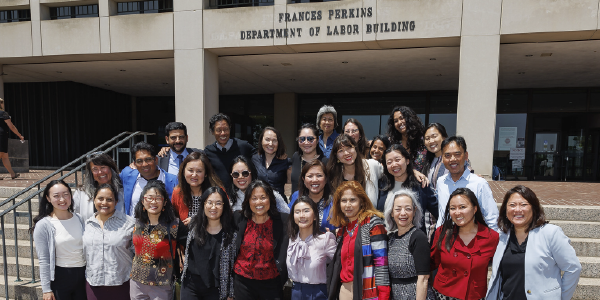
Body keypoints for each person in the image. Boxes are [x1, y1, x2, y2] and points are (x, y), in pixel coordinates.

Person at [486, 185, 581, 300]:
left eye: (523, 204)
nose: (517, 210)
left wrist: (562, 297)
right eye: (512, 205)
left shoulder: (550, 233)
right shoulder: (502, 237)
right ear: (505, 210)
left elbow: (573, 268)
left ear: (534, 208)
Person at [430, 188, 499, 300]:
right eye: (452, 208)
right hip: (443, 295)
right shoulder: (442, 232)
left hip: (474, 295)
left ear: (475, 208)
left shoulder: (492, 237)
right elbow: (432, 262)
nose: (457, 212)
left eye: (462, 207)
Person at [326, 181, 390, 300]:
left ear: (362, 202)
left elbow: (381, 263)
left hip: (368, 293)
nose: (348, 205)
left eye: (353, 200)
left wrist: (384, 295)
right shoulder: (342, 230)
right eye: (344, 200)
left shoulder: (373, 224)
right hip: (344, 292)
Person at [130, 180, 188, 300]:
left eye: (158, 198)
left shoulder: (175, 225)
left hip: (162, 285)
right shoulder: (136, 223)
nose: (153, 202)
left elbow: (192, 245)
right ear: (142, 201)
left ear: (165, 202)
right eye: (149, 198)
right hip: (137, 284)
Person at [233, 180, 290, 300]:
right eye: (254, 198)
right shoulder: (238, 218)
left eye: (263, 197)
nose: (258, 202)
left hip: (272, 284)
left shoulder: (284, 221)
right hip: (243, 282)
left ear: (270, 199)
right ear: (248, 201)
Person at [32, 180, 86, 300]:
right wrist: (46, 289)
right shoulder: (44, 225)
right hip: (60, 277)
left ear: (70, 196)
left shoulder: (79, 218)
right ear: (48, 198)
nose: (62, 199)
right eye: (56, 196)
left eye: (65, 194)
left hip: (83, 275)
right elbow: (44, 259)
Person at [181, 187, 237, 300]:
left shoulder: (231, 234)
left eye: (218, 203)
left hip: (216, 289)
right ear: (203, 204)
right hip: (190, 286)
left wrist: (230, 294)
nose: (213, 207)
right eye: (209, 202)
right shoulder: (193, 226)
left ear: (224, 206)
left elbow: (233, 267)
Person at [82, 184, 135, 300]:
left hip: (122, 284)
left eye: (109, 200)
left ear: (116, 202)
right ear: (94, 199)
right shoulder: (86, 224)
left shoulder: (129, 223)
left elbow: (137, 253)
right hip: (93, 285)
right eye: (100, 198)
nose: (104, 203)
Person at [435, 136, 499, 231]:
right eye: (447, 155)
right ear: (442, 158)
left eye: (457, 154)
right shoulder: (441, 182)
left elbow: (492, 219)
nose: (452, 159)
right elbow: (442, 214)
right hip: (445, 239)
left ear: (466, 156)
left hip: (471, 241)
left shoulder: (479, 183)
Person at [377, 144, 438, 235]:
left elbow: (439, 213)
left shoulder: (421, 185)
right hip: (386, 243)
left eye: (398, 160)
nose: (394, 164)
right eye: (389, 162)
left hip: (413, 243)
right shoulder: (381, 185)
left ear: (407, 160)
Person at [383, 189, 432, 300]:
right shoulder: (390, 238)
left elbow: (423, 278)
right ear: (391, 212)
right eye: (398, 209)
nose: (403, 213)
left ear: (415, 211)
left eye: (408, 209)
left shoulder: (418, 237)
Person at [286, 196, 336, 300]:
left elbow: (338, 266)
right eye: (297, 212)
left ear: (315, 216)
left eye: (306, 211)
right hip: (295, 291)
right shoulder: (291, 240)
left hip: (318, 293)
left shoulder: (325, 239)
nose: (302, 215)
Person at [120, 142, 178, 217]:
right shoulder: (127, 175)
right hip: (133, 227)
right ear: (134, 164)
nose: (144, 164)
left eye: (148, 160)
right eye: (139, 161)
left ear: (156, 160)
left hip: (163, 227)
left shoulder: (173, 181)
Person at [326, 134, 384, 207]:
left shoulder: (372, 165)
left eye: (349, 148)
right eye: (341, 150)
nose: (346, 153)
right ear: (336, 156)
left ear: (355, 148)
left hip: (369, 216)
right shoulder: (334, 175)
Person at [204, 113, 256, 189]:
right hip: (220, 196)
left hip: (242, 195)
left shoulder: (243, 146)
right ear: (212, 131)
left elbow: (260, 159)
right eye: (218, 130)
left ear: (230, 128)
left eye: (226, 129)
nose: (223, 133)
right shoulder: (208, 151)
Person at [171, 151, 224, 225]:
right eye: (190, 170)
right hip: (186, 236)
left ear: (205, 174)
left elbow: (225, 216)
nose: (194, 175)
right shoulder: (177, 192)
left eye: (199, 171)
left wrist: (196, 220)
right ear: (183, 172)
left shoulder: (218, 192)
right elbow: (175, 220)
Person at [73, 152, 124, 221]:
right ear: (91, 173)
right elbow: (74, 217)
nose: (100, 172)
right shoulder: (81, 193)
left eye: (103, 167)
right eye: (95, 169)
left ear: (111, 169)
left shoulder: (122, 191)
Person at [288, 160, 336, 232]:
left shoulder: (335, 200)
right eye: (310, 176)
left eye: (319, 175)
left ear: (326, 179)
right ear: (303, 179)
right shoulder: (297, 196)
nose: (314, 180)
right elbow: (288, 219)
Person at [252, 127, 292, 202]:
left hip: (279, 204)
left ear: (278, 143)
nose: (270, 144)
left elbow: (293, 183)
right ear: (261, 141)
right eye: (267, 140)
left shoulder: (286, 161)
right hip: (260, 203)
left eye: (274, 141)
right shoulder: (254, 159)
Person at [290, 123, 328, 194]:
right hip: (297, 203)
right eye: (302, 139)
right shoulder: (296, 157)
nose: (306, 142)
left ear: (317, 140)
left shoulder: (325, 162)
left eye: (310, 139)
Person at [0, 97, 24, 180]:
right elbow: (12, 127)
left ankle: (12, 174)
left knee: (5, 156)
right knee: (2, 154)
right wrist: (19, 135)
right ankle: (12, 174)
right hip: (1, 136)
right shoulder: (3, 113)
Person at [422, 123, 449, 190]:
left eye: (434, 136)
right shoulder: (426, 162)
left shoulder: (452, 159)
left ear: (444, 137)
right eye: (427, 138)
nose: (431, 141)